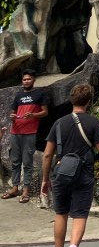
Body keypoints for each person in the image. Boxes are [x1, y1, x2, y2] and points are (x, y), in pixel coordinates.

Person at [41, 83, 99, 247]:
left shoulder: (59, 123)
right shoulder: (93, 122)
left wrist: (46, 179)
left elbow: (47, 155)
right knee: (79, 215)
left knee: (61, 213)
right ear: (88, 101)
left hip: (61, 172)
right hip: (83, 173)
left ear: (72, 100)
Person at [1, 68, 49, 203]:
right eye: (24, 79)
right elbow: (12, 113)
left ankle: (26, 190)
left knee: (27, 162)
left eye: (28, 79)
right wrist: (12, 116)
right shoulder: (18, 96)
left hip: (30, 132)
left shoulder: (39, 94)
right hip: (15, 131)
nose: (26, 81)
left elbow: (45, 112)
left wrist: (33, 115)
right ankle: (15, 187)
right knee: (15, 161)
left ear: (33, 80)